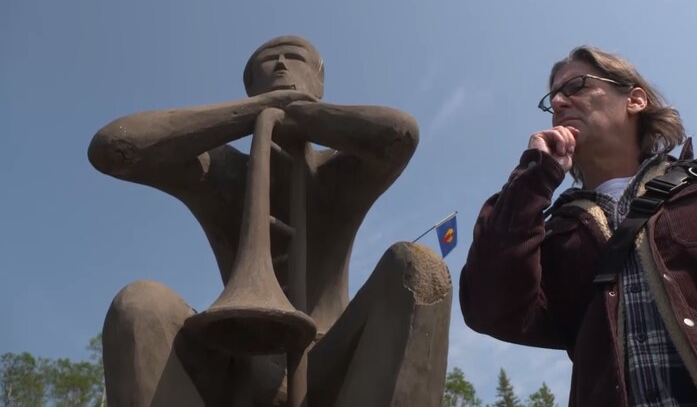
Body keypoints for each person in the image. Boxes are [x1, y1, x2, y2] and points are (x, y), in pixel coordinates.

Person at [459, 46, 697, 406]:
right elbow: (489, 308)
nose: (558, 103)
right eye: (552, 99)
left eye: (575, 86)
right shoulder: (552, 235)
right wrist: (532, 178)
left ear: (635, 100)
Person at [88, 35, 451, 406]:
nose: (280, 65)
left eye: (294, 57)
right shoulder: (220, 170)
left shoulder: (341, 170)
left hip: (331, 356)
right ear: (249, 88)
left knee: (418, 267)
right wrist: (253, 113)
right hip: (240, 360)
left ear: (319, 82)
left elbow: (400, 134)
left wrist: (302, 113)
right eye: (268, 61)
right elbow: (112, 148)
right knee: (138, 305)